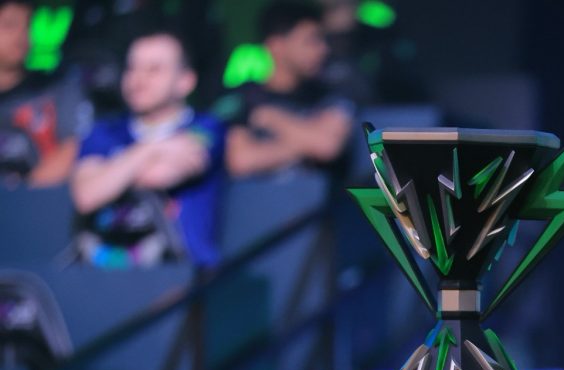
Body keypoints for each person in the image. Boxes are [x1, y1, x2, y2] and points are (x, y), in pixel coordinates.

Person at [70, 29, 224, 268]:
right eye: (132, 68)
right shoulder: (104, 131)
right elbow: (87, 195)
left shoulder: (206, 126)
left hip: (183, 272)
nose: (138, 80)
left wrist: (111, 174)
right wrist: (152, 148)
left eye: (154, 69)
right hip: (103, 272)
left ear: (185, 81)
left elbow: (159, 175)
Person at [215, 1, 353, 177]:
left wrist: (270, 117)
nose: (323, 49)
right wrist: (309, 142)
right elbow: (241, 160)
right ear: (276, 46)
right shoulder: (244, 97)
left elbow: (327, 146)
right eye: (311, 41)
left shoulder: (330, 92)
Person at [0, 0, 91, 187]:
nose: (21, 35)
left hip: (41, 199)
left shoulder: (57, 86)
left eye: (28, 25)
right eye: (9, 25)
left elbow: (74, 145)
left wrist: (20, 196)